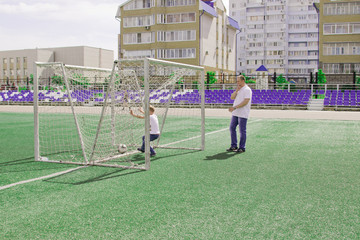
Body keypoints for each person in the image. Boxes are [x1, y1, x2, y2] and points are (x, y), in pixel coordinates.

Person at [227, 75, 252, 153]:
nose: (237, 83)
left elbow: (246, 101)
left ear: (243, 80)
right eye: (237, 81)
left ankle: (242, 147)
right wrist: (236, 90)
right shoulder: (239, 89)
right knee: (232, 128)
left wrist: (234, 107)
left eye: (238, 81)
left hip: (243, 113)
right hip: (236, 113)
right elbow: (232, 97)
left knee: (242, 131)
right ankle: (234, 145)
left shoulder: (247, 89)